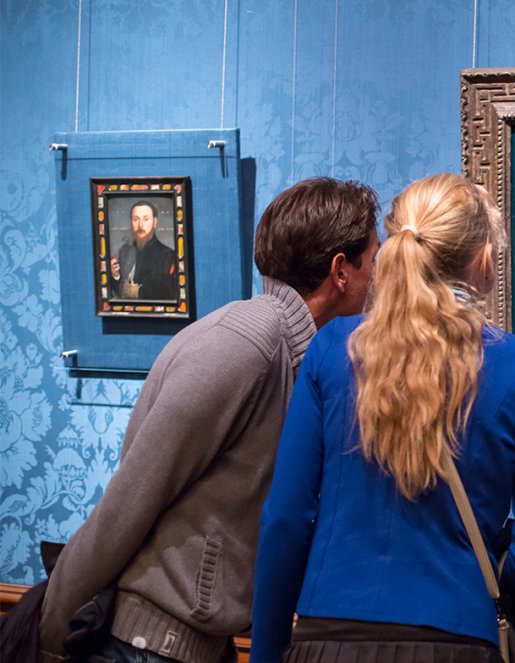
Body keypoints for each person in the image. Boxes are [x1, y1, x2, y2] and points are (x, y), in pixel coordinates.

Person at [39, 177, 382, 663]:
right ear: (340, 271)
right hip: (144, 648)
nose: (378, 277)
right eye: (374, 259)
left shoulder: (295, 354)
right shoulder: (245, 345)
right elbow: (133, 495)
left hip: (197, 647)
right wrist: (53, 632)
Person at [250, 173, 515, 663]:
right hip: (457, 641)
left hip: (326, 638)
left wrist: (267, 654)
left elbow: (287, 519)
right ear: (484, 260)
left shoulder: (332, 348)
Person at [110, 200, 179, 300]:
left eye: (146, 219)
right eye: (135, 219)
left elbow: (170, 294)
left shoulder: (168, 256)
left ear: (154, 222)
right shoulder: (124, 251)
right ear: (131, 222)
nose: (140, 225)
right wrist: (115, 275)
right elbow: (115, 292)